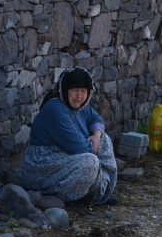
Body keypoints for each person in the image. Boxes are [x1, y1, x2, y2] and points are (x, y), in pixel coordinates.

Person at [21, 67, 118, 206]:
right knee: (90, 163)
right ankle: (61, 197)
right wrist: (93, 147)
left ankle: (96, 193)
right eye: (74, 90)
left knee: (104, 140)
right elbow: (79, 147)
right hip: (43, 163)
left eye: (83, 91)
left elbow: (96, 120)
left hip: (65, 154)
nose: (79, 95)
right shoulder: (55, 109)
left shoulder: (81, 107)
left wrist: (96, 136)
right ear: (65, 90)